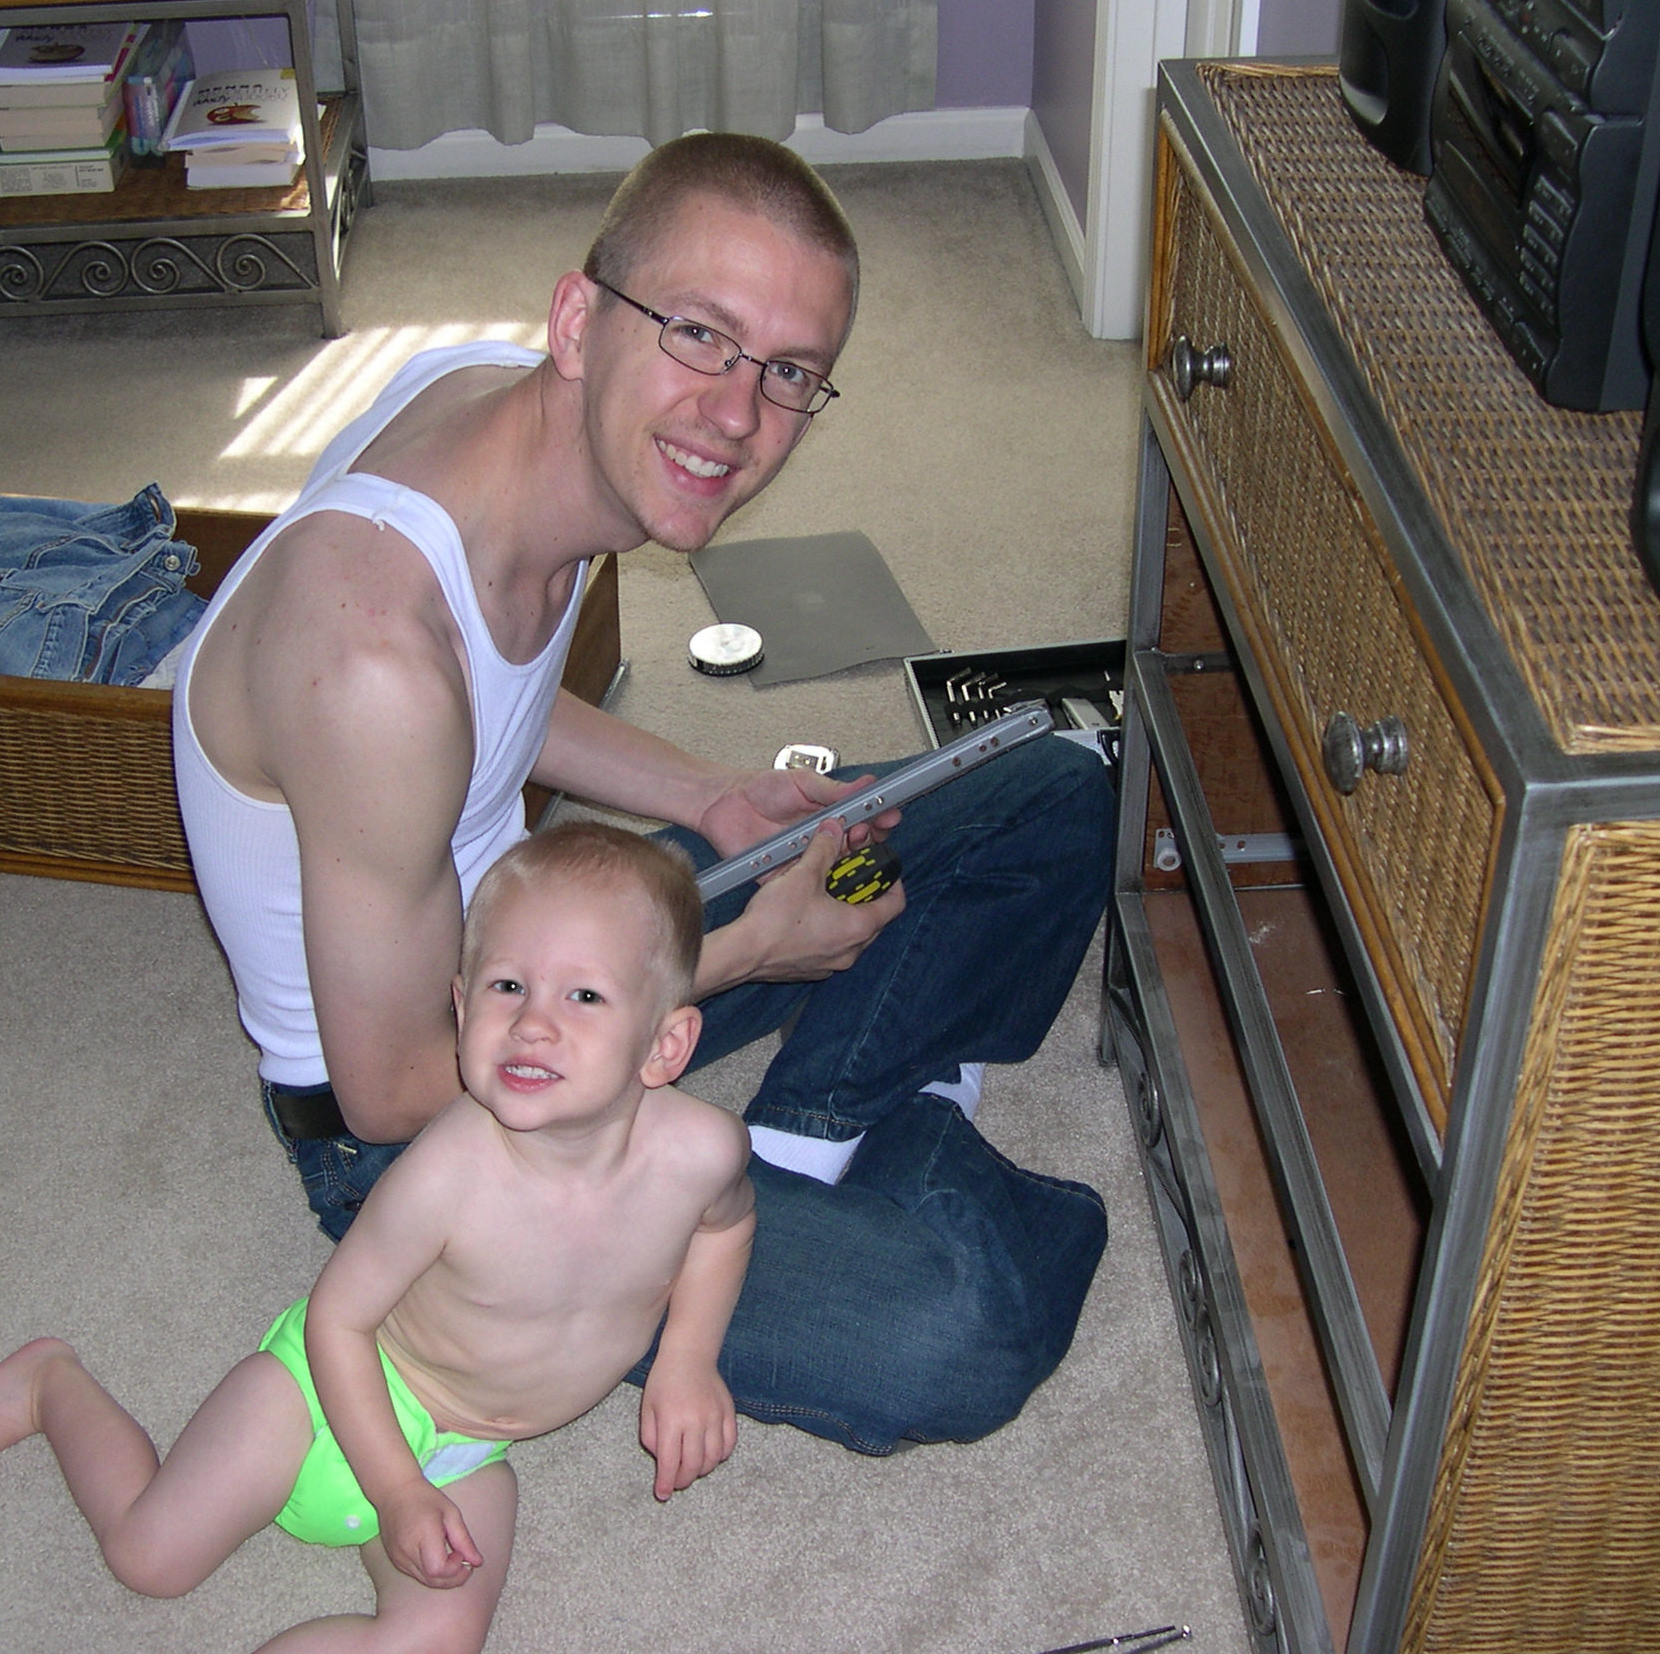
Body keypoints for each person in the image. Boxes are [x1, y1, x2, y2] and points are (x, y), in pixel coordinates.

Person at [174, 131, 1113, 1456]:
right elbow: (391, 1086)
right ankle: (860, 1129)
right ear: (577, 320)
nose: (737, 417)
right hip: (442, 1114)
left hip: (546, 921)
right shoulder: (366, 665)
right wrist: (740, 954)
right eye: (700, 335)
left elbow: (489, 706)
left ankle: (806, 1129)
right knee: (958, 1329)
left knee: (1056, 780)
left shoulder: (490, 411)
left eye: (791, 373)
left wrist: (714, 792)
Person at [0, 825, 755, 1654]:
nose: (534, 1023)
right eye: (507, 986)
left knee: (439, 1639)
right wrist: (394, 1489)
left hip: (468, 1451)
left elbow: (728, 1225)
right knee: (150, 1556)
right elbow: (338, 1320)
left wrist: (687, 1358)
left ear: (666, 1045)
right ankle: (48, 1382)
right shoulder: (447, 1175)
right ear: (461, 1009)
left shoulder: (703, 1154)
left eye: (583, 997)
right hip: (327, 1393)